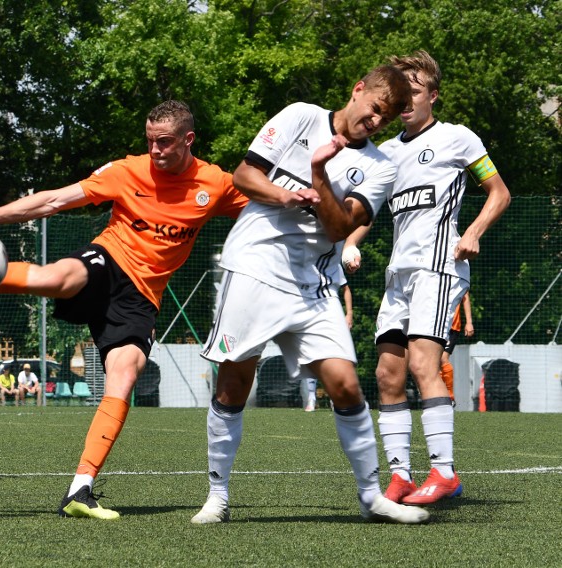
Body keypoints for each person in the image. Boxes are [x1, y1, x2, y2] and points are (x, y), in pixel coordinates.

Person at [0, 100, 250, 519]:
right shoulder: (127, 170)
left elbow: (266, 211)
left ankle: (80, 489)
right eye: (149, 141)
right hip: (108, 261)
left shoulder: (217, 183)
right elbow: (52, 201)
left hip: (142, 298)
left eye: (165, 143)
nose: (154, 150)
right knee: (56, 279)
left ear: (188, 140)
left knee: (125, 376)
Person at [193, 65, 430, 525]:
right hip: (253, 267)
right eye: (376, 108)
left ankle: (371, 497)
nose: (377, 121)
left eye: (388, 117)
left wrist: (318, 172)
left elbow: (342, 227)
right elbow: (244, 175)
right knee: (234, 382)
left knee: (345, 384)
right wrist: (283, 196)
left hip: (312, 284)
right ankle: (217, 496)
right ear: (357, 89)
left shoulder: (381, 167)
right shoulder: (301, 116)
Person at [342, 51, 510, 505]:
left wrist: (473, 232)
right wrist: (351, 241)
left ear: (433, 96)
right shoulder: (388, 152)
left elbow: (500, 192)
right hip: (399, 275)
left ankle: (444, 472)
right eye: (399, 95)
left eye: (414, 92)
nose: (405, 101)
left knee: (422, 365)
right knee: (387, 374)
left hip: (439, 267)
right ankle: (400, 476)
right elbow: (367, 209)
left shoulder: (459, 139)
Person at [301, 283, 353, 412]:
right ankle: (312, 398)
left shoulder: (332, 265)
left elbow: (346, 288)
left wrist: (349, 314)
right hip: (310, 317)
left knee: (334, 357)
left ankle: (335, 398)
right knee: (311, 356)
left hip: (332, 319)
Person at [441, 291, 473, 400]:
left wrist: (469, 322)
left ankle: (449, 396)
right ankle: (437, 395)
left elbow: (465, 298)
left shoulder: (457, 277)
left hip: (451, 327)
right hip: (433, 325)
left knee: (442, 359)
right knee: (431, 363)